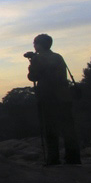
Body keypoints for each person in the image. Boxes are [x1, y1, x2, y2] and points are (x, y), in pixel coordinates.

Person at [27, 34, 81, 165]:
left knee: (50, 128)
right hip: (64, 96)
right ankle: (73, 158)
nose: (34, 45)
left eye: (35, 43)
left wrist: (32, 61)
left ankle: (53, 158)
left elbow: (33, 76)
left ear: (40, 45)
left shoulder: (39, 59)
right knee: (68, 128)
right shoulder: (58, 57)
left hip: (48, 97)